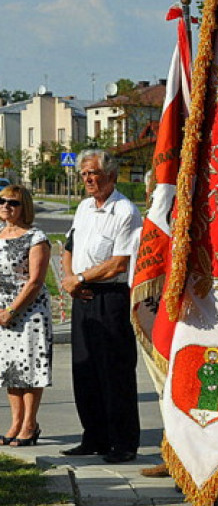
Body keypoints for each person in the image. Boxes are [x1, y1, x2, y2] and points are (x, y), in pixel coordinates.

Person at [60, 150, 142, 464]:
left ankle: (122, 442)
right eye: (84, 175)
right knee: (85, 370)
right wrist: (70, 279)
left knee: (115, 371)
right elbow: (69, 246)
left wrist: (79, 278)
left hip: (111, 298)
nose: (89, 180)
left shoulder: (125, 211)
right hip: (82, 293)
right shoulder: (83, 208)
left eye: (94, 173)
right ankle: (93, 437)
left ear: (110, 175)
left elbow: (119, 262)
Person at [0, 185, 51, 447]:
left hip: (29, 312)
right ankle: (15, 423)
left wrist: (11, 310)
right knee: (10, 370)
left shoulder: (36, 237)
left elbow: (35, 281)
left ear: (25, 207)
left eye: (13, 203)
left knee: (29, 369)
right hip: (2, 313)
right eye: (2, 201)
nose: (6, 206)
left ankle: (29, 425)